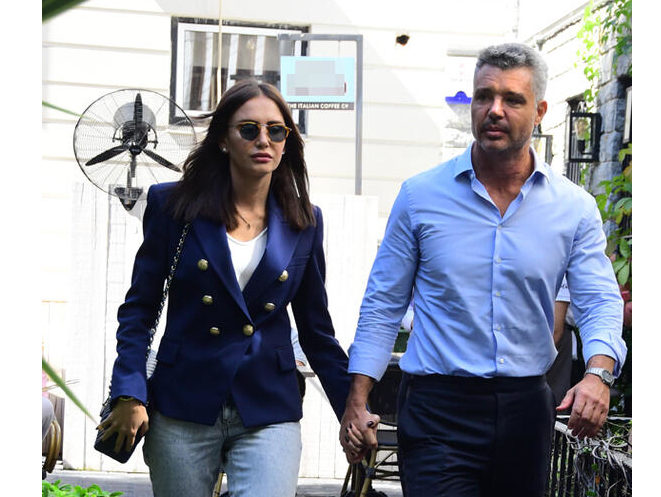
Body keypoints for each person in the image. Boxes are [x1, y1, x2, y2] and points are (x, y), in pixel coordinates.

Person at [339, 43, 627, 497]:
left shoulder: (573, 208)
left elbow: (599, 301)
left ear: (540, 112)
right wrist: (357, 399)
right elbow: (383, 304)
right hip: (436, 408)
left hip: (525, 409)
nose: (495, 110)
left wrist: (598, 375)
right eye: (483, 96)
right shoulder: (420, 197)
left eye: (512, 99)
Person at [97, 79, 350, 497]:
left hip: (268, 406)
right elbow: (139, 310)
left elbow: (317, 332)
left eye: (276, 130)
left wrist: (351, 409)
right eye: (248, 129)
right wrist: (128, 392)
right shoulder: (172, 206)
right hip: (183, 400)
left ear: (287, 141)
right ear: (223, 140)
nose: (263, 140)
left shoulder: (305, 221)